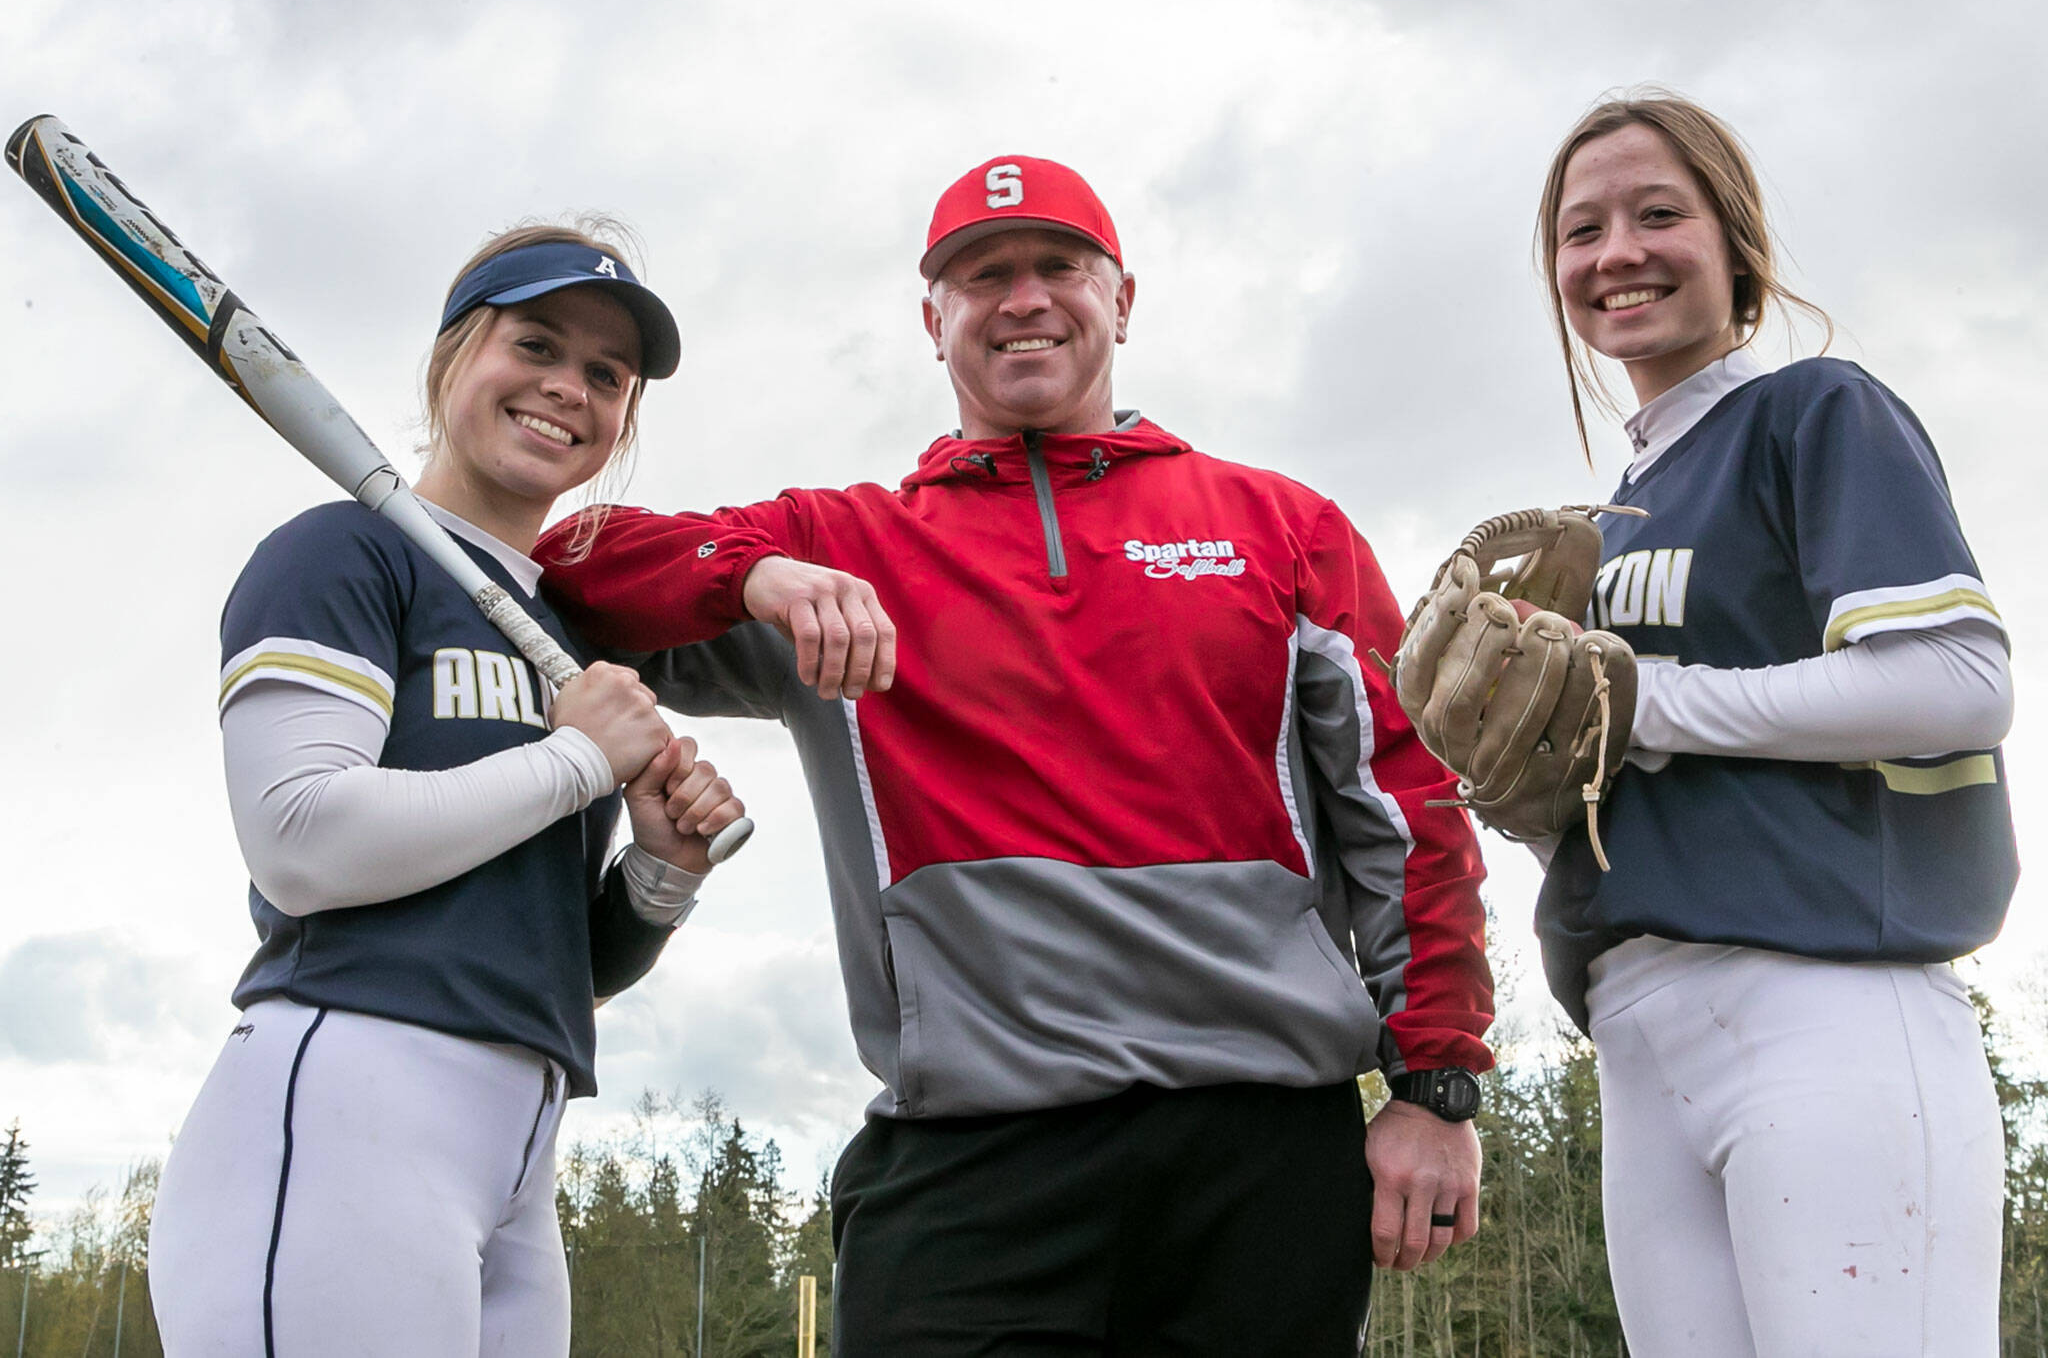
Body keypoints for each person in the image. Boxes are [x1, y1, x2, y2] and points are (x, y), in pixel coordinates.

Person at [538, 156, 1494, 1355]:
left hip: (1259, 1156)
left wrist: (1432, 1087)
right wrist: (757, 574)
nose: (1023, 297)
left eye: (1059, 267)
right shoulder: (839, 550)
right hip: (967, 1163)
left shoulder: (1279, 527)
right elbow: (565, 558)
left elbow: (1406, 809)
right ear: (931, 320)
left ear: (1123, 299)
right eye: (982, 275)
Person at [147, 224, 747, 1357]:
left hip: (519, 1150)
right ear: (450, 362)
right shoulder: (341, 553)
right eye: (535, 343)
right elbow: (300, 840)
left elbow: (559, 962)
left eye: (606, 376)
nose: (568, 387)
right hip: (348, 1099)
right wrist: (576, 762)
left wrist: (661, 871)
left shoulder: (572, 639)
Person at [1530, 91, 2017, 1355]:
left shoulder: (1813, 410)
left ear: (1735, 242)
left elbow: (1953, 679)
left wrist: (1649, 701)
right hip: (1639, 1029)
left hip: (1822, 1000)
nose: (1614, 253)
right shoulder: (1611, 512)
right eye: (1580, 232)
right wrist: (1534, 797)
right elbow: (1641, 763)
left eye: (1655, 214)